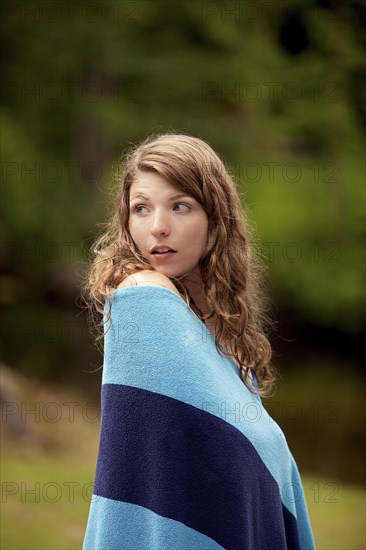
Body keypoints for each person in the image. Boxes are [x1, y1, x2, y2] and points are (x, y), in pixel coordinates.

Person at [82, 133, 315, 549]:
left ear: (216, 218)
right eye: (141, 208)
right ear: (125, 220)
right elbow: (148, 481)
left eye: (180, 206)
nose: (157, 227)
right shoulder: (142, 296)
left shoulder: (224, 341)